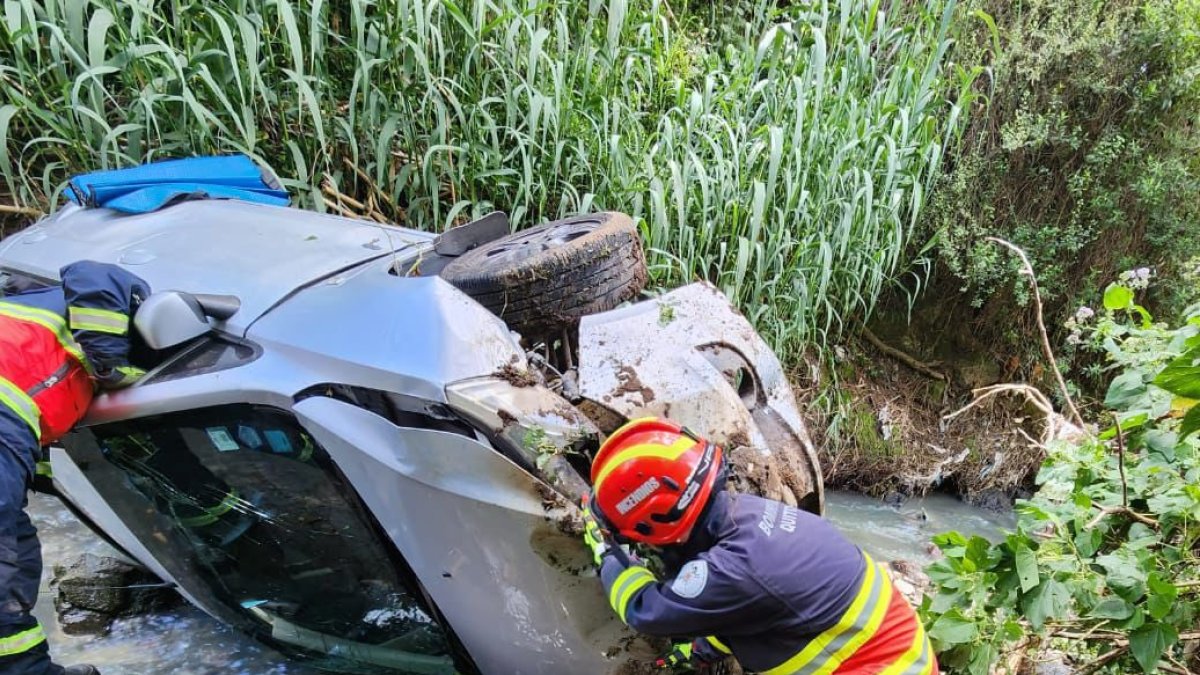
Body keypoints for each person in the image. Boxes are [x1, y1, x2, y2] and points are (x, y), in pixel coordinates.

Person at [581, 417, 938, 674]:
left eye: (639, 541)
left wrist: (608, 556)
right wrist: (701, 650)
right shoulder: (747, 518)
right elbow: (754, 609)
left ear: (660, 522)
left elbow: (646, 611)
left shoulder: (737, 568)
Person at [0, 260, 151, 675]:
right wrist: (110, 364)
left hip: (13, 421)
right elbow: (89, 271)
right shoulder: (92, 304)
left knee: (17, 546)